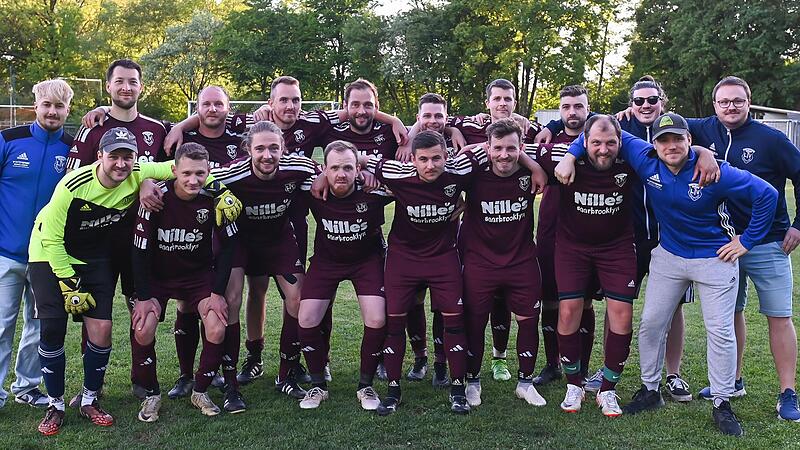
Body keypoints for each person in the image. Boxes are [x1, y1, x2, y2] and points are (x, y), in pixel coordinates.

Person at [557, 113, 778, 436]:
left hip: (713, 257)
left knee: (719, 330)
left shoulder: (714, 171)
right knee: (651, 324)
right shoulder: (645, 159)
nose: (671, 146)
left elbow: (768, 195)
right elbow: (595, 130)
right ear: (654, 145)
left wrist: (746, 240)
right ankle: (650, 389)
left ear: (690, 141)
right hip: (670, 255)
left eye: (678, 139)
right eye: (664, 140)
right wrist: (569, 154)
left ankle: (722, 402)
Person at [29, 126, 241, 435]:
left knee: (101, 328)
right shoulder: (72, 185)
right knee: (52, 328)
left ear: (135, 158)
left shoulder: (139, 170)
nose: (121, 163)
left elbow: (186, 169)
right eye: (113, 156)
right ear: (100, 156)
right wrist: (68, 281)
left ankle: (90, 399)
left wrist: (221, 190)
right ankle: (55, 404)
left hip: (93, 255)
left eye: (127, 157)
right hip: (49, 254)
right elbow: (50, 236)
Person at [687, 77, 800, 421]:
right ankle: (733, 381)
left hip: (769, 241)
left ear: (749, 102)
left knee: (778, 316)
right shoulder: (705, 129)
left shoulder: (772, 139)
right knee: (729, 314)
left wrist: (798, 224)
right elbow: (659, 120)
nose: (730, 107)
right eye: (723, 102)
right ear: (714, 105)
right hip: (723, 244)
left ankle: (788, 392)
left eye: (737, 101)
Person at [532, 115, 638, 417]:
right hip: (572, 247)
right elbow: (520, 151)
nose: (603, 150)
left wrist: (706, 154)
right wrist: (565, 156)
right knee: (568, 309)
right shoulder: (564, 157)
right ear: (584, 142)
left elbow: (675, 152)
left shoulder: (630, 159)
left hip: (617, 247)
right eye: (595, 143)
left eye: (610, 143)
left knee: (622, 313)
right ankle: (574, 384)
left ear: (620, 142)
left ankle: (608, 389)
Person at [130, 143, 239, 420]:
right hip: (159, 277)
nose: (193, 180)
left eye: (200, 174)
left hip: (197, 276)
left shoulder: (216, 197)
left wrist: (216, 292)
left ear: (209, 171)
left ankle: (200, 391)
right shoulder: (156, 197)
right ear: (174, 170)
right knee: (143, 328)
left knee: (216, 326)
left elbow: (229, 248)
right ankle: (152, 395)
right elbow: (139, 250)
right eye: (187, 173)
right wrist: (143, 297)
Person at [210, 120, 318, 400]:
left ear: (283, 148)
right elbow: (195, 178)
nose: (267, 155)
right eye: (260, 149)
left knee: (296, 297)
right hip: (241, 242)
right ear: (248, 150)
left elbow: (326, 171)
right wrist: (150, 183)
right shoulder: (232, 174)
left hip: (279, 240)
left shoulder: (299, 167)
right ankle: (234, 378)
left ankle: (287, 373)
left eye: (273, 148)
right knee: (232, 299)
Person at [297, 140, 391, 410]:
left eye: (348, 167)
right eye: (335, 168)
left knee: (376, 318)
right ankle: (317, 385)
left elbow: (413, 180)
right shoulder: (312, 189)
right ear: (324, 169)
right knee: (306, 318)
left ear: (357, 168)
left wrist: (375, 171)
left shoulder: (373, 190)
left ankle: (366, 386)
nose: (341, 174)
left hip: (367, 261)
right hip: (327, 261)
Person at [460, 119, 546, 408]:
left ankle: (525, 382)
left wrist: (533, 166)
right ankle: (472, 381)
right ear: (488, 148)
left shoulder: (530, 169)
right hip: (480, 261)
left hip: (521, 260)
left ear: (521, 149)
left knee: (528, 320)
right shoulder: (471, 171)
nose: (504, 155)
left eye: (511, 149)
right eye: (498, 148)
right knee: (474, 322)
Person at [0, 79, 74, 410]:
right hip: (6, 253)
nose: (52, 112)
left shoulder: (72, 150)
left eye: (59, 106)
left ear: (68, 110)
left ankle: (27, 386)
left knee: (37, 325)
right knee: (2, 325)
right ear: (36, 106)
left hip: (44, 257)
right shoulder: (9, 140)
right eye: (47, 105)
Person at [532, 85, 596, 390]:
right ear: (560, 110)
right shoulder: (546, 140)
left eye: (578, 107)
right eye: (566, 107)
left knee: (583, 302)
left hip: (587, 234)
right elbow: (512, 143)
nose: (572, 112)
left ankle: (581, 367)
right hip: (550, 229)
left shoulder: (602, 142)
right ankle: (552, 364)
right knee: (550, 299)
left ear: (588, 109)